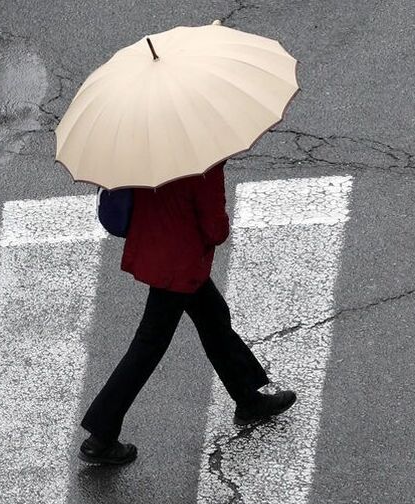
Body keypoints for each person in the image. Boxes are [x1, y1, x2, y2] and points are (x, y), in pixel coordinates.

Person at [78, 160, 297, 465]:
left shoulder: (146, 144)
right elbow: (215, 230)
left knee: (214, 319)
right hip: (180, 264)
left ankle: (248, 398)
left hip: (156, 248)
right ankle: (101, 435)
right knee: (149, 345)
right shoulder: (204, 161)